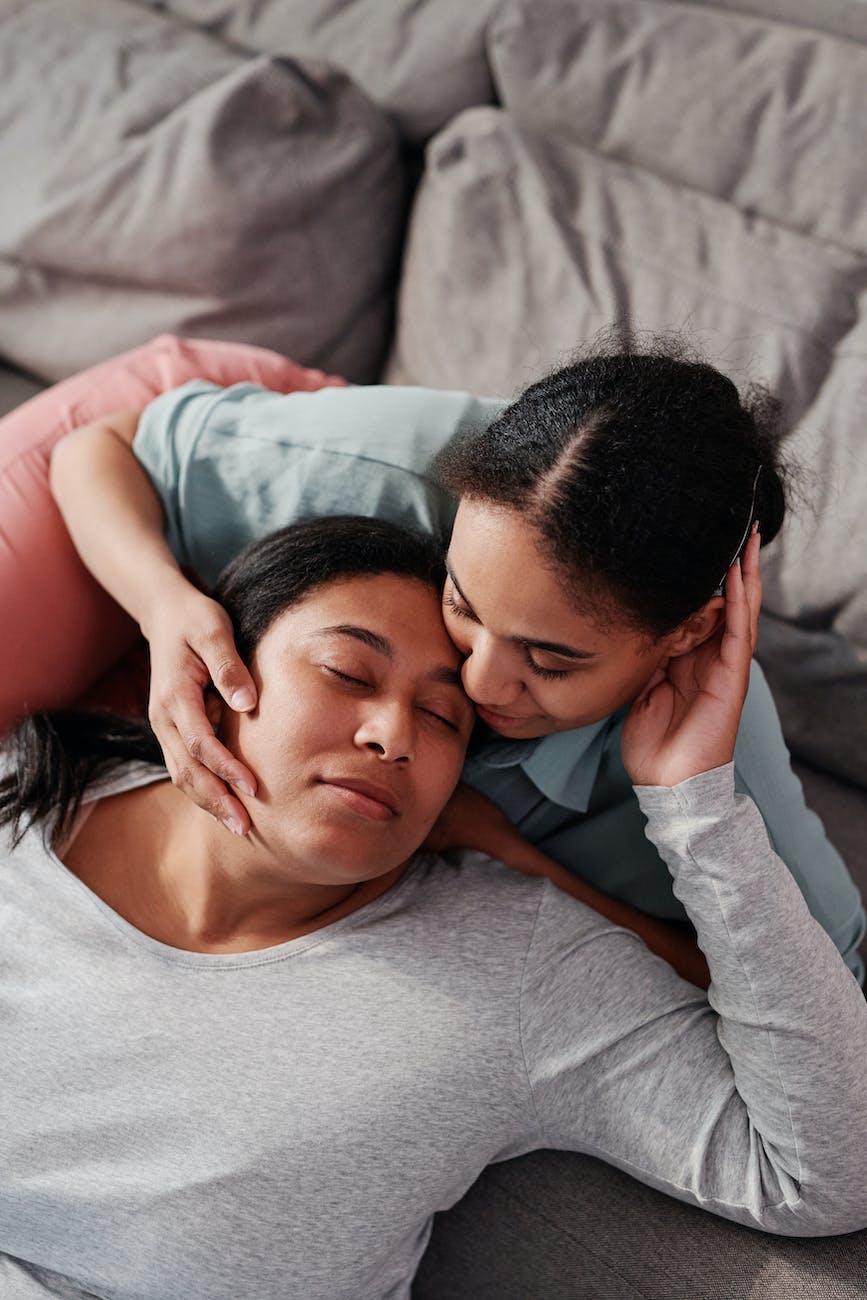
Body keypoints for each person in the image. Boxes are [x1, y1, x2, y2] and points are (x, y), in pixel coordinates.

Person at [1, 515, 866, 1300]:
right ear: (216, 669)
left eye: (444, 718)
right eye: (347, 671)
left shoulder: (518, 968)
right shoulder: (24, 798)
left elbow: (829, 1171)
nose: (393, 735)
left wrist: (697, 805)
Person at [48, 338, 866, 983]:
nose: (479, 683)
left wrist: (520, 855)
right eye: (464, 608)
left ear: (686, 634)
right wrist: (164, 608)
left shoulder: (730, 774)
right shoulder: (390, 469)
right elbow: (101, 447)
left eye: (549, 661)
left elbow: (820, 1009)